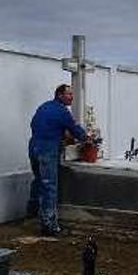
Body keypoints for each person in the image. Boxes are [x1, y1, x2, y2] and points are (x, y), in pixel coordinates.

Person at [27, 84, 88, 236]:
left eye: (72, 94)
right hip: (47, 150)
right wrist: (88, 139)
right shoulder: (62, 111)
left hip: (34, 147)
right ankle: (49, 226)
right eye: (68, 94)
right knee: (49, 186)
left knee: (39, 181)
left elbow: (36, 125)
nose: (71, 97)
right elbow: (75, 130)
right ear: (59, 95)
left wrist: (60, 134)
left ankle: (32, 214)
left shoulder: (44, 107)